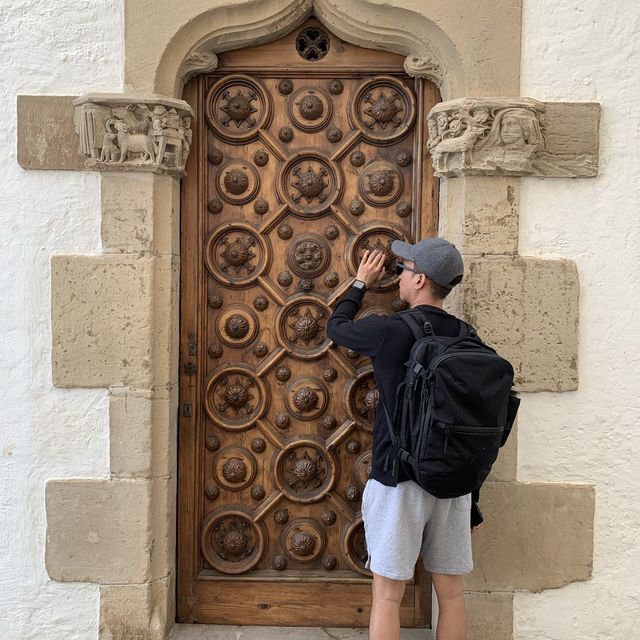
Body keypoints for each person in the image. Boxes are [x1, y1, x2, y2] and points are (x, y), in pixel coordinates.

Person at [327, 237, 476, 640]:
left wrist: (360, 282)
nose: (398, 278)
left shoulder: (391, 329)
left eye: (402, 270)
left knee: (388, 596)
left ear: (420, 278)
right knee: (452, 593)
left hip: (400, 479)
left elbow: (336, 328)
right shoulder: (468, 335)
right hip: (454, 481)